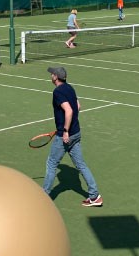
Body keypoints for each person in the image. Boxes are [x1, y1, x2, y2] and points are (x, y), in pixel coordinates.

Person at [42, 66, 102, 207]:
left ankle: (43, 196)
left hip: (66, 135)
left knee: (51, 163)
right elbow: (78, 106)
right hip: (76, 133)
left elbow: (69, 110)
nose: (51, 76)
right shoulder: (70, 88)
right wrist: (71, 126)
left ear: (56, 77)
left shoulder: (57, 92)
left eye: (52, 74)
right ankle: (95, 196)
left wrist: (65, 130)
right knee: (81, 165)